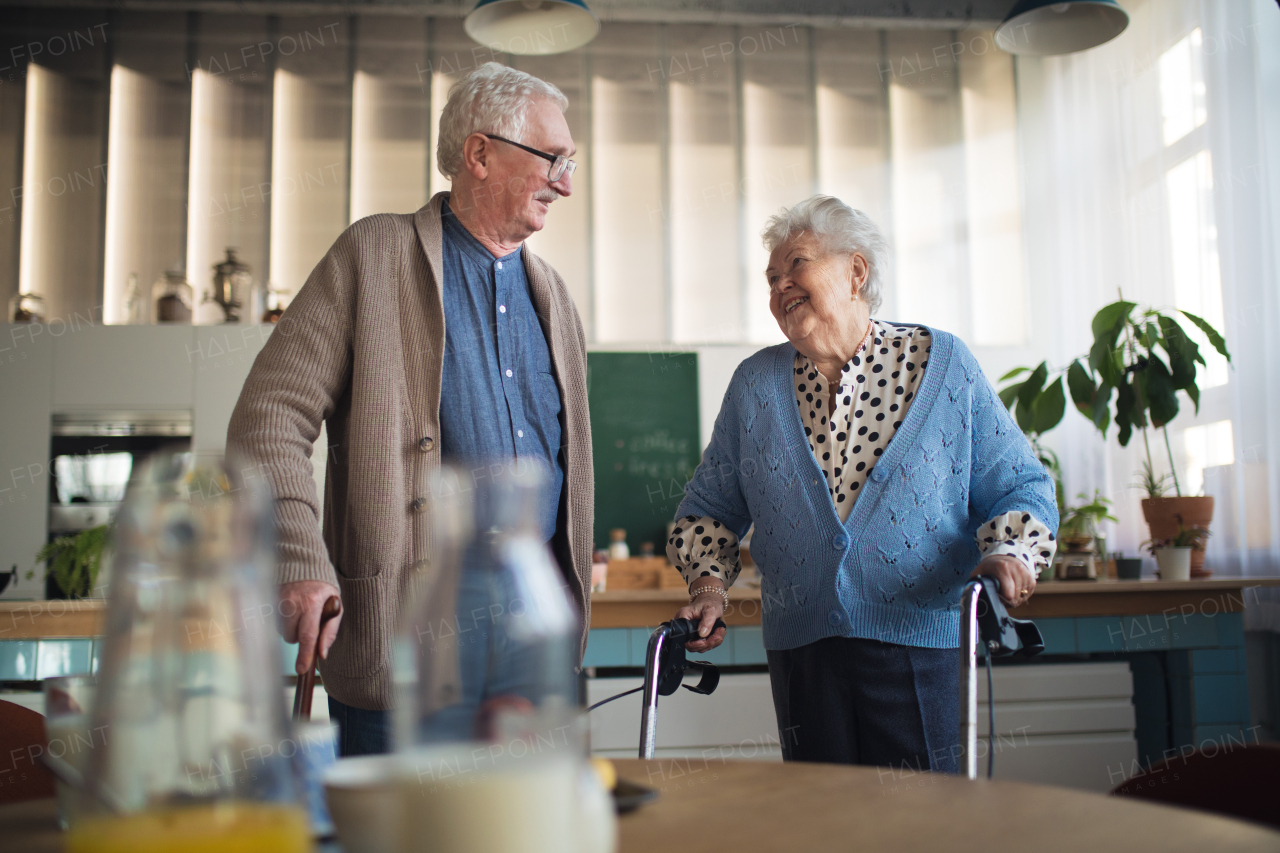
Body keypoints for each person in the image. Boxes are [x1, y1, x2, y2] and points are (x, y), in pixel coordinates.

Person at [227, 62, 593, 756]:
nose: (566, 182)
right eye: (553, 158)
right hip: (402, 653)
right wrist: (301, 559)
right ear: (479, 153)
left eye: (570, 162)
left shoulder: (557, 297)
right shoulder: (373, 253)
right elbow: (267, 418)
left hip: (533, 660)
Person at [668, 195, 1057, 772]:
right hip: (804, 653)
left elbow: (1020, 485)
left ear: (855, 271)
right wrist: (708, 588)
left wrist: (1011, 554)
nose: (780, 287)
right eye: (772, 278)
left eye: (796, 265)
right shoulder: (755, 385)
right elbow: (707, 512)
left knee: (923, 825)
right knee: (824, 825)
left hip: (922, 643)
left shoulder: (941, 363)